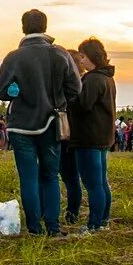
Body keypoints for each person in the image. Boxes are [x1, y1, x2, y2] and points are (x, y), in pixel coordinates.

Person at [0, 9, 81, 237]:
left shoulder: (12, 57)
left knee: (28, 178)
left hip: (21, 124)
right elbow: (76, 88)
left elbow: (0, 92)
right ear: (45, 26)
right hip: (50, 122)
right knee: (50, 176)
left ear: (23, 28)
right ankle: (53, 227)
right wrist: (58, 98)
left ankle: (34, 227)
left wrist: (16, 91)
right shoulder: (59, 54)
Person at [67, 37, 116, 233]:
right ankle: (103, 221)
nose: (80, 61)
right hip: (102, 137)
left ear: (89, 56)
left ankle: (94, 224)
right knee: (101, 182)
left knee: (93, 183)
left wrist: (70, 96)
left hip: (88, 138)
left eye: (82, 56)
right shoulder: (107, 78)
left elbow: (83, 104)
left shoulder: (93, 79)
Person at [59, 50, 87, 225]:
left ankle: (69, 212)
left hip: (64, 135)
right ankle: (72, 212)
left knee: (65, 176)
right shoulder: (85, 84)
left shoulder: (66, 85)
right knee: (72, 178)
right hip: (79, 136)